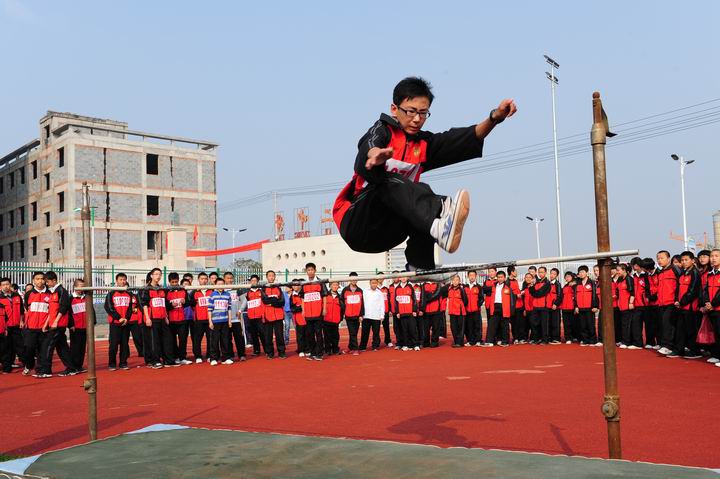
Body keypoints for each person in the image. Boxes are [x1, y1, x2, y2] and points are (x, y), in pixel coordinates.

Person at [333, 77, 517, 270]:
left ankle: (420, 265)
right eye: (411, 111)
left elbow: (463, 138)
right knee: (391, 183)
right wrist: (375, 155)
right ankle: (440, 216)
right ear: (394, 109)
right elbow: (369, 144)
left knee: (419, 199)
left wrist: (494, 118)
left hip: (386, 233)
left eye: (423, 113)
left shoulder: (423, 145)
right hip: (357, 223)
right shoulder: (382, 130)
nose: (416, 119)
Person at [140, 268, 175, 369]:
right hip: (153, 318)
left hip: (163, 318)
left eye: (160, 274)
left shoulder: (162, 289)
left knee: (167, 340)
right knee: (154, 341)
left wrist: (166, 317)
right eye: (156, 274)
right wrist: (147, 318)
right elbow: (144, 305)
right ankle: (155, 361)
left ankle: (168, 360)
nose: (158, 276)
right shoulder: (146, 289)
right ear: (151, 276)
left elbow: (163, 304)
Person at [42, 271, 75, 377]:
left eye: (48, 281)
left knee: (48, 345)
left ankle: (46, 371)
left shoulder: (61, 291)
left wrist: (56, 322)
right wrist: (46, 323)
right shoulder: (53, 292)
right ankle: (71, 368)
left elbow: (63, 308)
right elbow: (51, 310)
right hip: (53, 323)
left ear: (54, 280)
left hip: (58, 324)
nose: (46, 284)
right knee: (62, 347)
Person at [670, 251, 701, 359]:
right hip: (681, 306)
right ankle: (679, 350)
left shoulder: (695, 273)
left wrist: (682, 302)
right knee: (680, 329)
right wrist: (677, 300)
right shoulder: (682, 273)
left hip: (690, 307)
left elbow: (693, 291)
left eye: (686, 260)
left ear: (692, 261)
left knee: (691, 330)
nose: (684, 262)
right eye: (682, 260)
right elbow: (678, 289)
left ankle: (695, 351)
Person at [23, 272, 51, 377]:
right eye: (37, 279)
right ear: (33, 280)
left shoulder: (50, 294)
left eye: (42, 279)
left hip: (44, 328)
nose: (40, 281)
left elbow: (51, 311)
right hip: (31, 327)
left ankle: (40, 370)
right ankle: (29, 365)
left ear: (45, 280)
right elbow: (26, 307)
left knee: (42, 350)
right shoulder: (28, 294)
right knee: (29, 348)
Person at [104, 274, 133, 371]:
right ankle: (112, 364)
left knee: (125, 344)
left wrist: (126, 319)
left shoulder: (129, 294)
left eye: (124, 279)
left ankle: (123, 363)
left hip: (125, 323)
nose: (123, 281)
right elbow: (108, 307)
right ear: (117, 281)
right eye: (121, 279)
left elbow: (130, 308)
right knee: (113, 344)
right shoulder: (111, 294)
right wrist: (119, 318)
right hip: (115, 323)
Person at [655, 250, 682, 355]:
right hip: (661, 303)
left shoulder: (675, 269)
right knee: (664, 324)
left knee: (668, 324)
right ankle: (665, 344)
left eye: (662, 258)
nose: (659, 260)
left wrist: (677, 299)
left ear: (668, 258)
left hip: (672, 302)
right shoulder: (660, 272)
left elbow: (680, 284)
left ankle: (668, 345)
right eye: (658, 258)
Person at [301, 263, 327, 361]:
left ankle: (319, 354)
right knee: (310, 334)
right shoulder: (304, 283)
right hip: (308, 313)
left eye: (312, 269)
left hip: (318, 312)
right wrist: (303, 310)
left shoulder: (320, 282)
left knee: (319, 333)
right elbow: (302, 298)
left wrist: (324, 309)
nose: (310, 271)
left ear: (315, 270)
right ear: (306, 271)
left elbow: (324, 296)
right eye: (308, 270)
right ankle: (312, 353)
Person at [166, 273, 192, 365]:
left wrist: (185, 302)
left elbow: (189, 302)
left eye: (176, 282)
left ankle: (183, 357)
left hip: (182, 319)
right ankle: (175, 357)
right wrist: (170, 305)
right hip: (171, 320)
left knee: (183, 339)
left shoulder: (183, 290)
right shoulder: (166, 292)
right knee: (172, 340)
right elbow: (164, 305)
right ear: (169, 282)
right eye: (172, 282)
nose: (174, 283)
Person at [485, 271, 515, 347]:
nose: (500, 279)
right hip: (495, 307)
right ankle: (490, 341)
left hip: (505, 308)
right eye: (498, 277)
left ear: (504, 278)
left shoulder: (508, 287)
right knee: (492, 324)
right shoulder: (493, 286)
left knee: (504, 325)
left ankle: (505, 341)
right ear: (496, 278)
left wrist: (511, 310)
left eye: (501, 277)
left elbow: (512, 300)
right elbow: (484, 290)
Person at [261, 270, 286, 359]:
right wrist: (275, 301)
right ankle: (270, 353)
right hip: (268, 316)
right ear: (267, 277)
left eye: (272, 276)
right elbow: (265, 300)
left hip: (278, 316)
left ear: (274, 277)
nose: (271, 277)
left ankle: (282, 352)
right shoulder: (263, 289)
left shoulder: (278, 288)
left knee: (279, 335)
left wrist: (272, 303)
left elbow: (282, 302)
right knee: (268, 336)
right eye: (269, 276)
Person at [0, 277, 24, 371]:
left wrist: (21, 321)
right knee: (6, 348)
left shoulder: (16, 296)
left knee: (20, 346)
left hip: (16, 325)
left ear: (10, 285)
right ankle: (7, 367)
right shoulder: (0, 298)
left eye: (7, 284)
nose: (6, 286)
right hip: (5, 327)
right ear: (0, 287)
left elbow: (22, 310)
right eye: (3, 285)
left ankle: (27, 364)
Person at [207, 279, 233, 365]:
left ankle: (225, 358)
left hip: (225, 321)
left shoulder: (228, 295)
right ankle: (213, 358)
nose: (221, 285)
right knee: (214, 340)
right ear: (215, 285)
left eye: (222, 284)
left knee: (225, 340)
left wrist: (229, 320)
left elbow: (229, 309)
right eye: (219, 284)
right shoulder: (212, 295)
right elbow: (209, 309)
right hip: (215, 321)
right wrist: (210, 321)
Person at [702, 249, 720, 367]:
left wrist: (713, 304)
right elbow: (706, 291)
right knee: (716, 333)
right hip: (712, 309)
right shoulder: (710, 274)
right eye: (712, 256)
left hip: (717, 307)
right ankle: (717, 355)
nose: (713, 258)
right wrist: (707, 302)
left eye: (716, 256)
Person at [224, 272, 247, 362]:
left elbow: (244, 301)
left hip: (237, 318)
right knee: (227, 338)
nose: (229, 280)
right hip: (226, 319)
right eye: (227, 278)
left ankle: (242, 355)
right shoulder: (222, 290)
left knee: (239, 338)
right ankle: (230, 355)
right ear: (224, 279)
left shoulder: (237, 289)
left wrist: (240, 310)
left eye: (231, 278)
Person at [615, 264, 639, 349]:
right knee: (623, 324)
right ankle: (624, 340)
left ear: (624, 269)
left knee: (627, 324)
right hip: (621, 305)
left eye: (618, 270)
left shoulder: (629, 279)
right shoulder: (620, 279)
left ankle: (626, 342)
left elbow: (632, 292)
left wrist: (631, 303)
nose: (617, 272)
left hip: (627, 305)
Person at [574, 266, 600, 346]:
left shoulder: (592, 282)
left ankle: (593, 340)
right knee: (583, 325)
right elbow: (575, 296)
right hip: (580, 308)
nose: (581, 274)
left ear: (587, 272)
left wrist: (595, 306)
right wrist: (576, 306)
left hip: (590, 307)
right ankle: (585, 340)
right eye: (580, 272)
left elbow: (595, 295)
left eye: (583, 272)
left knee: (590, 324)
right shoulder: (577, 284)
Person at [191, 272, 213, 363]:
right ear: (198, 280)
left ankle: (209, 355)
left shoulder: (211, 291)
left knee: (210, 338)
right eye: (201, 279)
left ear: (207, 280)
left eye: (205, 279)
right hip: (198, 319)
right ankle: (198, 356)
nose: (203, 280)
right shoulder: (194, 291)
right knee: (197, 339)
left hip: (209, 319)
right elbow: (191, 304)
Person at [394, 275, 419, 350]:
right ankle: (406, 345)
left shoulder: (410, 286)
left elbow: (414, 299)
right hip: (401, 313)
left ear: (407, 278)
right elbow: (396, 301)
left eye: (405, 277)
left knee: (413, 329)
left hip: (410, 312)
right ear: (400, 278)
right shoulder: (397, 288)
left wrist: (414, 310)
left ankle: (415, 345)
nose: (403, 278)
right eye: (402, 277)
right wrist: (397, 312)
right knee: (404, 330)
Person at [341, 272, 364, 355]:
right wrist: (344, 312)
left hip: (357, 316)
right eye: (352, 278)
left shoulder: (360, 290)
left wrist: (361, 315)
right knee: (352, 332)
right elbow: (342, 302)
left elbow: (362, 303)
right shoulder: (345, 290)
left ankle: (350, 347)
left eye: (355, 278)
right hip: (348, 315)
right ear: (349, 279)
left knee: (354, 332)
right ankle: (355, 349)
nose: (354, 280)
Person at [69, 279, 88, 372]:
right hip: (75, 327)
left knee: (82, 347)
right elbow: (68, 313)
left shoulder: (87, 298)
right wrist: (70, 324)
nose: (82, 288)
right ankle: (74, 366)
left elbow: (91, 310)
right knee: (75, 347)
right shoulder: (70, 299)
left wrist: (92, 323)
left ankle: (79, 366)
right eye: (80, 286)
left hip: (85, 327)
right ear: (75, 286)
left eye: (83, 286)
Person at [360, 278, 385, 351]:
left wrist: (382, 315)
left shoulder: (379, 293)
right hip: (366, 316)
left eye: (375, 283)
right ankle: (363, 346)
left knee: (376, 333)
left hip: (376, 316)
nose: (374, 284)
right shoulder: (365, 292)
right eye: (372, 283)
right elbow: (362, 303)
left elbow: (382, 304)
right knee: (365, 332)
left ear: (377, 283)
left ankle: (375, 346)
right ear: (369, 283)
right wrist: (361, 314)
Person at [528, 266, 551, 344]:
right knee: (534, 323)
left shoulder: (547, 283)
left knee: (544, 324)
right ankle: (536, 339)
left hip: (543, 306)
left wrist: (533, 290)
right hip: (535, 306)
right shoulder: (535, 282)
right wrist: (531, 287)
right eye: (539, 272)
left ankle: (545, 339)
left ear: (545, 273)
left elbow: (539, 293)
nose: (540, 274)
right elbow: (532, 293)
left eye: (542, 272)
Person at [245, 275, 265, 356]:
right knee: (254, 335)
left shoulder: (261, 291)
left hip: (260, 316)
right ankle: (256, 350)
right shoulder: (248, 292)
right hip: (251, 317)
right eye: (252, 280)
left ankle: (267, 350)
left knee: (262, 334)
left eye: (255, 280)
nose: (253, 282)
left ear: (258, 281)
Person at [446, 275, 467, 348]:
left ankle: (459, 342)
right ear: (452, 281)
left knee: (460, 328)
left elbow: (465, 300)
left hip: (460, 312)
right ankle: (456, 341)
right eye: (454, 280)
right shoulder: (449, 289)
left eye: (457, 280)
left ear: (459, 281)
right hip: (452, 312)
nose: (455, 282)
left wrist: (461, 308)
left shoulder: (461, 289)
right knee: (453, 327)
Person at [323, 281, 343, 357]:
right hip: (326, 319)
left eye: (336, 285)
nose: (335, 286)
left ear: (338, 286)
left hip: (336, 320)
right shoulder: (325, 296)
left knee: (335, 336)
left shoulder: (340, 297)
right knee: (327, 336)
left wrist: (340, 318)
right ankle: (327, 350)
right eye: (333, 285)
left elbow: (342, 308)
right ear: (330, 286)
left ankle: (335, 349)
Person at [421, 280, 443, 348]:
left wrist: (427, 298)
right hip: (426, 310)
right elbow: (422, 296)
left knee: (436, 327)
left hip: (436, 309)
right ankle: (426, 342)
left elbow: (437, 295)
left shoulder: (438, 284)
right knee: (425, 328)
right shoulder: (423, 285)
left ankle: (434, 342)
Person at [289, 280, 308, 357]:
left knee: (307, 334)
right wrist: (301, 307)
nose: (295, 286)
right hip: (298, 318)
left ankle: (308, 349)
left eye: (297, 285)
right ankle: (301, 350)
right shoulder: (292, 296)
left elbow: (306, 305)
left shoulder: (304, 294)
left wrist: (299, 306)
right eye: (293, 285)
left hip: (306, 317)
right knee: (300, 335)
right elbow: (292, 308)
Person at [507, 266, 526, 344]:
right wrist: (516, 296)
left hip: (520, 305)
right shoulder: (507, 282)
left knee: (521, 323)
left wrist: (521, 293)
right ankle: (516, 338)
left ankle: (521, 338)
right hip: (513, 306)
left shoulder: (516, 281)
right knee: (514, 323)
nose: (517, 273)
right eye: (515, 271)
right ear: (512, 272)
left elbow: (517, 290)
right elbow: (508, 294)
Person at [464, 271, 483, 346]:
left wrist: (477, 305)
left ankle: (478, 340)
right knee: (469, 326)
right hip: (467, 311)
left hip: (476, 311)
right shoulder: (465, 287)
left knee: (477, 326)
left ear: (476, 276)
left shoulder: (478, 287)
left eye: (473, 275)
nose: (472, 277)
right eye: (470, 275)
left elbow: (481, 298)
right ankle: (471, 341)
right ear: (468, 276)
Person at [547, 268, 564, 345]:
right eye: (551, 273)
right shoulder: (547, 283)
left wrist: (556, 304)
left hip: (555, 307)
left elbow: (560, 296)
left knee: (555, 323)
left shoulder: (558, 284)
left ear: (557, 275)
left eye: (554, 274)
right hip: (548, 307)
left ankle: (556, 338)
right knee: (549, 322)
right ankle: (550, 337)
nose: (552, 275)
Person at [560, 272, 577, 344]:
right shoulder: (564, 286)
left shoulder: (575, 285)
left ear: (572, 277)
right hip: (564, 308)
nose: (567, 278)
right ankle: (568, 338)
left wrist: (576, 306)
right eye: (566, 276)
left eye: (569, 276)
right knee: (566, 324)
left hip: (572, 307)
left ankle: (575, 337)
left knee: (574, 323)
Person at [378, 274, 393, 347]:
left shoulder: (386, 289)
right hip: (376, 312)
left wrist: (390, 310)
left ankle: (388, 341)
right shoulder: (375, 289)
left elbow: (389, 300)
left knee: (386, 327)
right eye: (380, 277)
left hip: (385, 311)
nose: (381, 279)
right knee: (376, 328)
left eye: (382, 278)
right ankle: (376, 342)